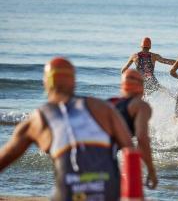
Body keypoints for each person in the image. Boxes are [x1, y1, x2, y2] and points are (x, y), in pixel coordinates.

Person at [0, 57, 134, 201]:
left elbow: (4, 158)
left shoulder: (38, 119)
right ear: (74, 82)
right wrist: (136, 195)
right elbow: (131, 153)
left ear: (46, 83)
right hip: (108, 193)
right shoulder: (104, 108)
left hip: (69, 195)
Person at [108, 69, 158, 189]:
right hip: (102, 160)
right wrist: (151, 171)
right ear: (141, 87)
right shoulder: (141, 106)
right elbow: (142, 138)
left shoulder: (109, 103)